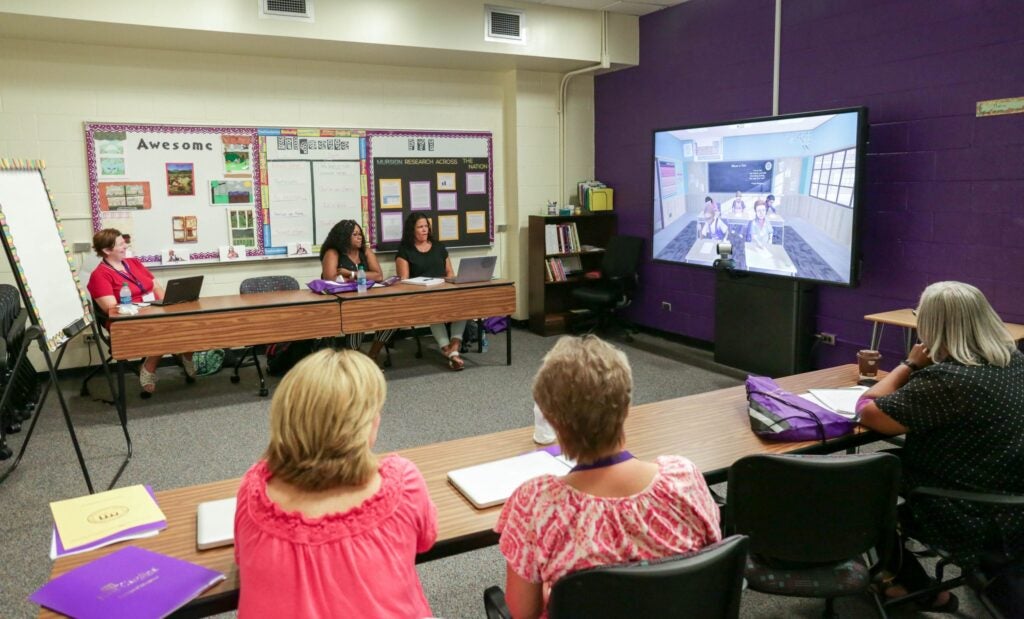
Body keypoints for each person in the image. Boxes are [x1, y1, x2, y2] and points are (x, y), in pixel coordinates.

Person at [495, 335, 722, 619]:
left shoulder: (535, 504)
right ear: (626, 407)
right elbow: (708, 565)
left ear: (552, 422)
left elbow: (522, 612)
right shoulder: (684, 478)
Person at [858, 281, 1024, 612]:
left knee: (857, 487)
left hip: (969, 511)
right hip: (1009, 495)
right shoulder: (1014, 361)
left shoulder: (949, 380)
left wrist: (910, 364)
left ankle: (918, 590)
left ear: (934, 325)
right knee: (880, 464)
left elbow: (867, 409)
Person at [234, 349, 438, 618]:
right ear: (363, 425)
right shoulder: (404, 483)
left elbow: (241, 559)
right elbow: (425, 540)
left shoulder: (252, 490)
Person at [87, 228, 195, 393]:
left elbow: (155, 286)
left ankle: (186, 355)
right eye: (121, 244)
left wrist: (170, 305)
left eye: (125, 242)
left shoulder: (134, 263)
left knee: (189, 320)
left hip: (153, 311)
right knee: (162, 328)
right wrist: (145, 310)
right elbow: (111, 307)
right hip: (126, 320)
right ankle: (149, 367)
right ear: (107, 250)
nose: (126, 246)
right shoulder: (99, 275)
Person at [395, 212, 467, 370]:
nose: (424, 230)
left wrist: (450, 287)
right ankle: (449, 350)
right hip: (422, 297)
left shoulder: (439, 247)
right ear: (411, 230)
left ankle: (453, 350)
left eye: (426, 226)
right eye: (420, 227)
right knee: (434, 311)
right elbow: (404, 281)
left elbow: (450, 273)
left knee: (463, 308)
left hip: (444, 292)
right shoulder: (405, 251)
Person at [320, 219, 394, 362]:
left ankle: (372, 356)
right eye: (355, 234)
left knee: (391, 319)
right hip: (346, 302)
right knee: (357, 318)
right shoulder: (333, 253)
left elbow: (378, 275)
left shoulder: (365, 251)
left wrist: (350, 274)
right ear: (344, 236)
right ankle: (356, 359)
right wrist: (362, 277)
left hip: (370, 298)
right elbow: (330, 279)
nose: (360, 237)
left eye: (360, 234)